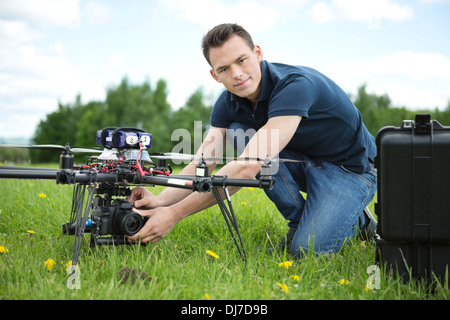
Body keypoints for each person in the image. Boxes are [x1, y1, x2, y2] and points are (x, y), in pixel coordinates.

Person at [127, 23, 377, 258]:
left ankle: (359, 219)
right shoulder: (228, 103)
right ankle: (299, 220)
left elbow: (247, 168)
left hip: (351, 170)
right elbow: (202, 164)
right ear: (215, 75)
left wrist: (173, 214)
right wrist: (160, 201)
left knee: (306, 252)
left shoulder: (295, 85)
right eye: (224, 69)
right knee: (238, 131)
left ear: (257, 53)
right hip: (302, 159)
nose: (236, 74)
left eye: (241, 60)